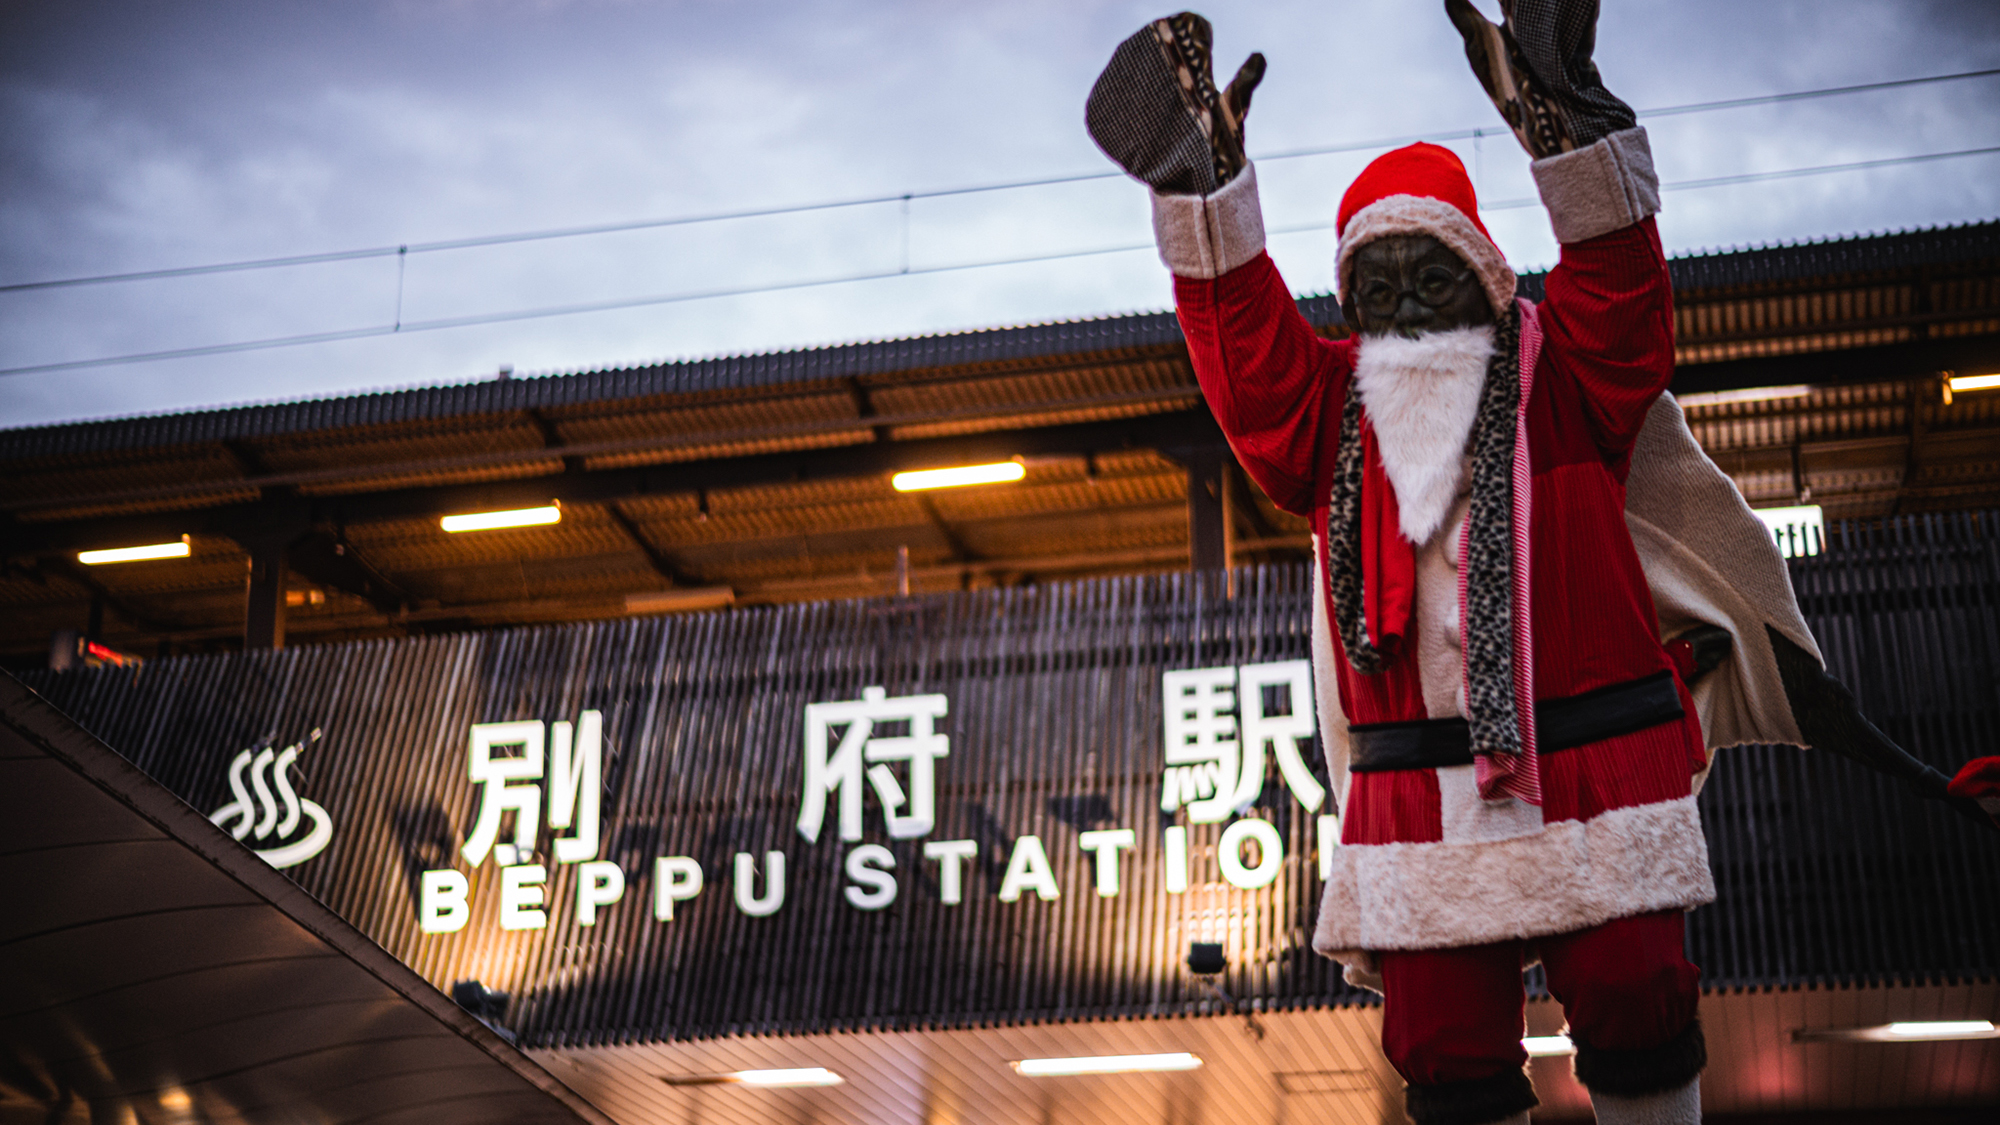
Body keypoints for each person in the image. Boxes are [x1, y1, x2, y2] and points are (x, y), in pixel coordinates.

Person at [1088, 5, 1767, 1123]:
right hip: (1419, 791)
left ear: (1489, 279)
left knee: (1639, 1004)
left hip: (1591, 765)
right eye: (1376, 287)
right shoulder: (1324, 412)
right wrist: (1206, 199)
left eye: (1430, 275)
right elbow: (1245, 353)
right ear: (1347, 306)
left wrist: (1567, 126)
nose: (1403, 307)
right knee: (1444, 1050)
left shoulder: (1568, 376)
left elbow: (1619, 287)